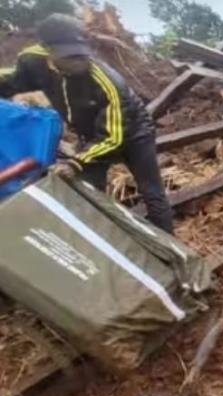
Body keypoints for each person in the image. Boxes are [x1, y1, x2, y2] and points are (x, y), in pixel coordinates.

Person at [0, 14, 174, 233]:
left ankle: (170, 249)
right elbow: (13, 81)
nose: (78, 62)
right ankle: (94, 238)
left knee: (152, 193)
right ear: (48, 52)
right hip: (90, 134)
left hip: (134, 133)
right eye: (68, 56)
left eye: (80, 55)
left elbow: (113, 137)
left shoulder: (108, 83)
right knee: (88, 190)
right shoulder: (33, 61)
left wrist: (75, 163)